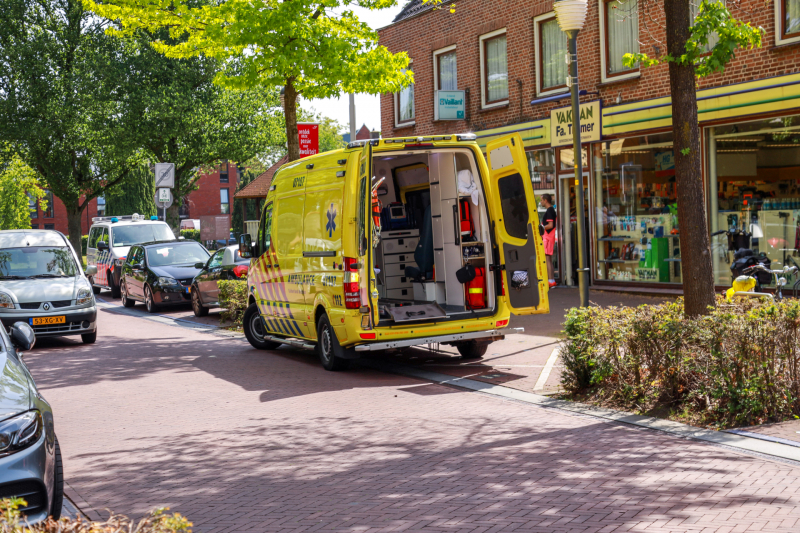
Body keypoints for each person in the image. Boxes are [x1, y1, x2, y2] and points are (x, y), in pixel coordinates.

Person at [541, 194, 557, 288]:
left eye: (542, 200)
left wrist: (541, 228)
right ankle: (551, 280)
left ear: (546, 200)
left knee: (547, 259)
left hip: (548, 237)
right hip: (549, 237)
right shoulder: (551, 210)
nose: (541, 202)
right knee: (548, 259)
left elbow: (550, 225)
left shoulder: (549, 210)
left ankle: (550, 280)